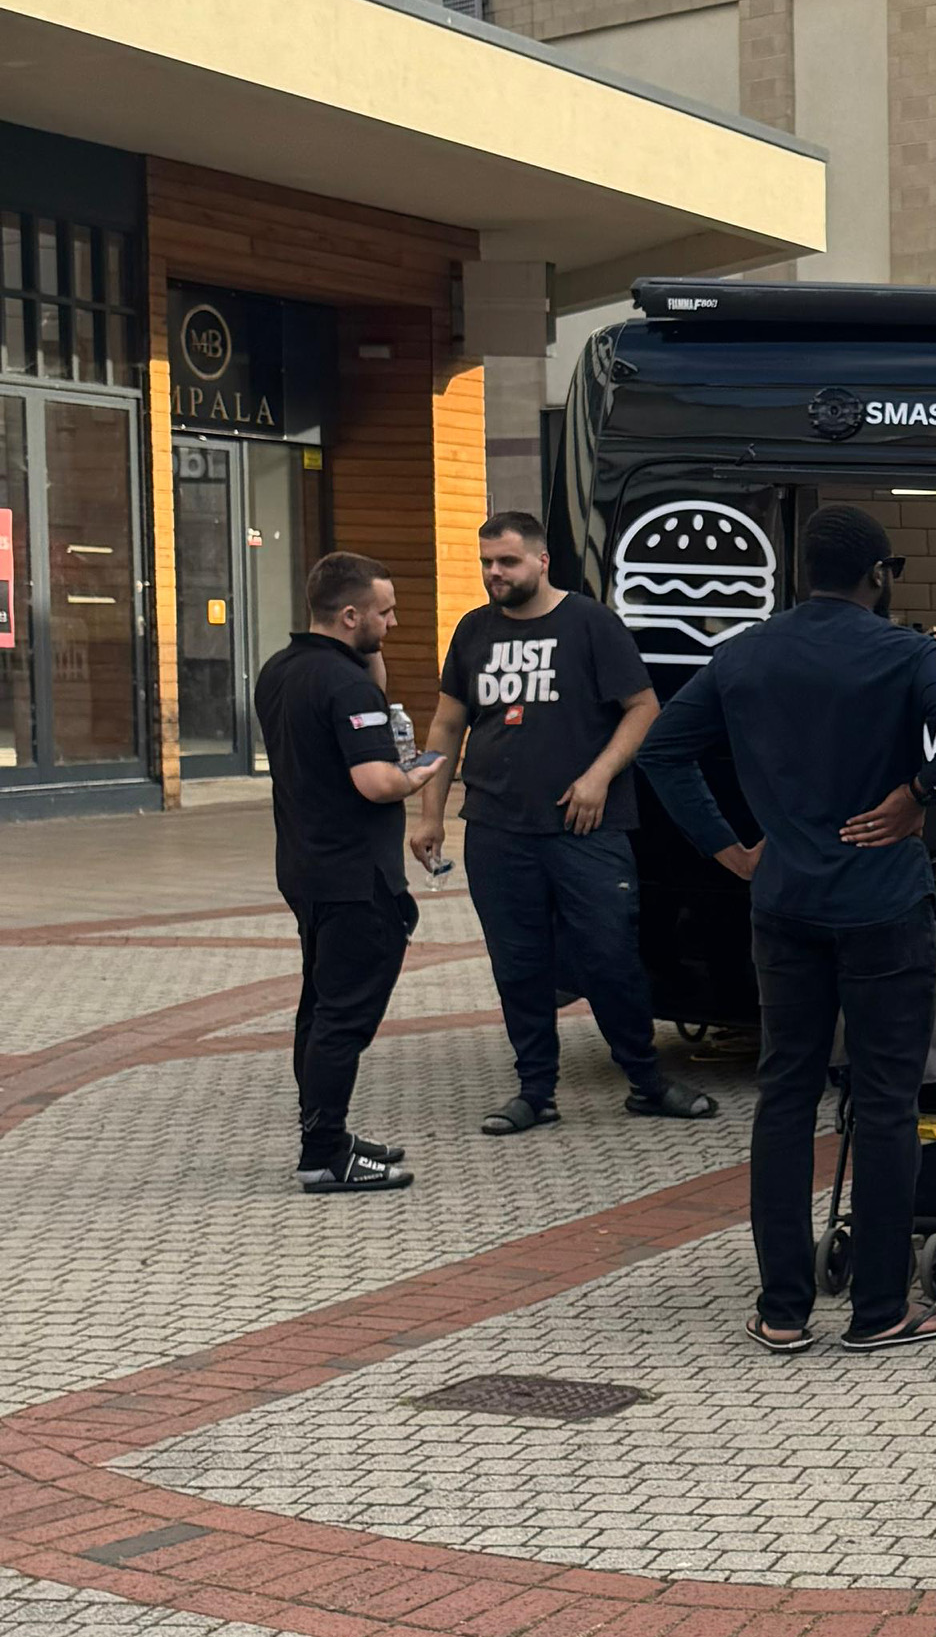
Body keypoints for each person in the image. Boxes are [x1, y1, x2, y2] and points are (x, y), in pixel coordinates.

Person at [637, 506, 936, 1351]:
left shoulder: (742, 655)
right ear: (878, 574)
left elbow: (663, 750)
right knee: (884, 1103)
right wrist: (916, 796)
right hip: (882, 906)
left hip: (784, 906)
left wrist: (731, 851)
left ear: (800, 574)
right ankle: (880, 1310)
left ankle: (782, 1309)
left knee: (785, 1097)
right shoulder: (905, 652)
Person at [409, 511, 717, 1136]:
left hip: (586, 832)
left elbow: (643, 709)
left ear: (542, 561)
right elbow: (446, 725)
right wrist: (429, 814)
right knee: (519, 965)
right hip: (497, 829)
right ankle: (535, 1092)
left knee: (609, 957)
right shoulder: (473, 631)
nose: (495, 573)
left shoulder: (590, 624)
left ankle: (646, 1081)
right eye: (487, 562)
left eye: (508, 562)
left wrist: (599, 775)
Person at [254, 551, 444, 1195]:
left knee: (319, 1007)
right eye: (384, 613)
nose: (392, 624)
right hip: (355, 878)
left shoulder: (280, 669)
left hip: (305, 867)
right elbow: (375, 781)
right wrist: (422, 772)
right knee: (343, 1018)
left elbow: (365, 703)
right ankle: (322, 1156)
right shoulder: (345, 687)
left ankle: (326, 1135)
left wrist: (368, 668)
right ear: (350, 614)